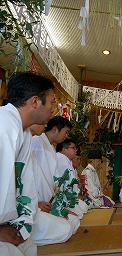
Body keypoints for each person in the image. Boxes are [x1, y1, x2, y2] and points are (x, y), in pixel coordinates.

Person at [0, 72, 55, 256]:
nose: (53, 109)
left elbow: (23, 186)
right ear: (35, 102)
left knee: (29, 246)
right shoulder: (4, 125)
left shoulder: (21, 132)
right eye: (52, 102)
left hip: (9, 221)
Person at [30, 116, 78, 245]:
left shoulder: (50, 147)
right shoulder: (36, 142)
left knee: (73, 221)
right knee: (67, 228)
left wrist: (59, 206)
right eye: (66, 132)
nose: (66, 136)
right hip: (34, 205)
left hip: (48, 203)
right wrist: (36, 203)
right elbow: (31, 178)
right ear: (56, 130)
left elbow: (52, 181)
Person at [56, 139, 88, 218]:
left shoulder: (67, 161)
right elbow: (64, 185)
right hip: (63, 199)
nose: (75, 150)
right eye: (73, 148)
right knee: (78, 215)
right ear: (64, 149)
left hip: (71, 197)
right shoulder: (61, 160)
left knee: (83, 209)